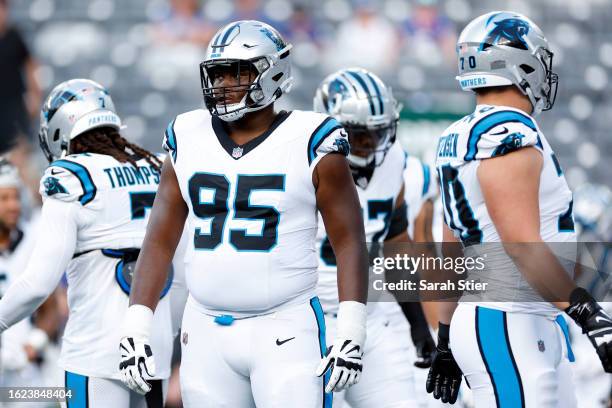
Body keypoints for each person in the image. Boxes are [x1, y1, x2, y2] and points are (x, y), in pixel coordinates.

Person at [118, 21, 369, 407]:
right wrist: (136, 323)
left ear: (274, 71)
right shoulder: (186, 134)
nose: (221, 85)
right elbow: (159, 239)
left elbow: (349, 240)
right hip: (204, 332)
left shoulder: (312, 138)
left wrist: (352, 328)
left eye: (236, 73)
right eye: (216, 74)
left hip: (286, 327)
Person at [425, 11, 612, 407]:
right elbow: (522, 245)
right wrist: (588, 313)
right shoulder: (510, 133)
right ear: (519, 63)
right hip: (508, 318)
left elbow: (450, 248)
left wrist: (445, 335)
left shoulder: (455, 135)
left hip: (511, 316)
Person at [0, 79, 186, 407]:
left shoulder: (71, 176)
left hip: (95, 351)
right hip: (152, 345)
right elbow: (181, 268)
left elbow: (37, 284)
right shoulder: (157, 167)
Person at [313, 67, 434, 407]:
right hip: (308, 320)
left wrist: (418, 325)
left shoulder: (393, 160)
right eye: (360, 135)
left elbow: (396, 243)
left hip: (370, 318)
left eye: (378, 133)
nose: (370, 145)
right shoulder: (302, 160)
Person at [0, 159, 60, 406]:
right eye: (4, 199)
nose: (13, 206)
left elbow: (50, 308)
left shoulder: (32, 243)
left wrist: (34, 344)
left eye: (16, 197)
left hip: (25, 377)